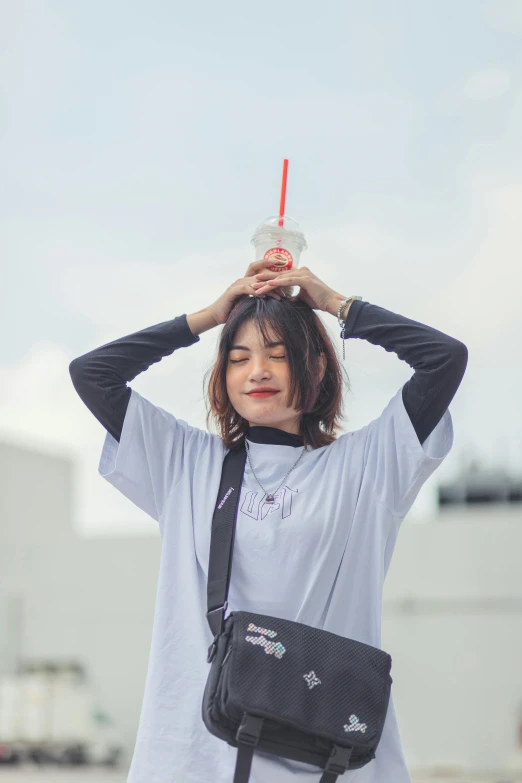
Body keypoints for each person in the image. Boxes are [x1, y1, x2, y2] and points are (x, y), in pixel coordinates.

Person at [69, 260, 468, 783]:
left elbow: (445, 359)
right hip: (196, 753)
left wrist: (336, 305)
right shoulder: (185, 460)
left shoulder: (369, 463)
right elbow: (91, 373)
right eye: (239, 359)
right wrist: (211, 316)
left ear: (318, 369)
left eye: (278, 355)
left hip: (325, 757)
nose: (257, 370)